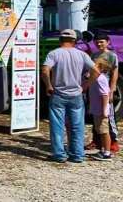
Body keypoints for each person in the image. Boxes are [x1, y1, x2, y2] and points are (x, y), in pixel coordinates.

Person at [42, 29, 99, 163]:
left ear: (60, 39)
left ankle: (59, 155)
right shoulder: (82, 54)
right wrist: (85, 86)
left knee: (57, 126)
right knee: (77, 126)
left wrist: (48, 85)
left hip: (58, 94)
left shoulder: (54, 53)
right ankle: (77, 155)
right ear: (74, 41)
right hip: (76, 94)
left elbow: (45, 70)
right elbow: (96, 71)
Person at [86, 33, 120, 153]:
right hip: (94, 89)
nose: (99, 44)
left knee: (108, 117)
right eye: (97, 42)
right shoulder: (94, 55)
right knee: (96, 116)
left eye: (101, 41)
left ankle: (113, 142)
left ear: (108, 42)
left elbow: (115, 72)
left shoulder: (112, 55)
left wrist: (112, 89)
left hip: (105, 88)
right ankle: (96, 140)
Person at [88, 58, 113, 161]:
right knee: (100, 131)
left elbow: (105, 95)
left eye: (95, 65)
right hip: (97, 109)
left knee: (104, 131)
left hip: (101, 111)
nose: (92, 66)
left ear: (101, 68)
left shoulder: (100, 79)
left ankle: (107, 152)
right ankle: (103, 150)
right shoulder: (95, 78)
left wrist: (104, 110)